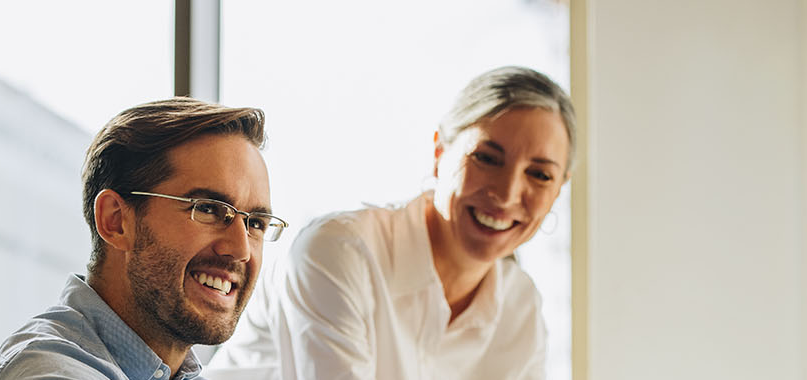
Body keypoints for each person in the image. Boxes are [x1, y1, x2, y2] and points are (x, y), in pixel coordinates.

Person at [206, 66, 575, 380]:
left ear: (559, 189)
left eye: (540, 175)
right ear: (439, 153)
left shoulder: (521, 303)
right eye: (487, 158)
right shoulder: (339, 252)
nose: (508, 193)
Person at [0, 98, 290, 380]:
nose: (240, 249)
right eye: (207, 209)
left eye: (256, 223)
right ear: (115, 221)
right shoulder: (51, 372)